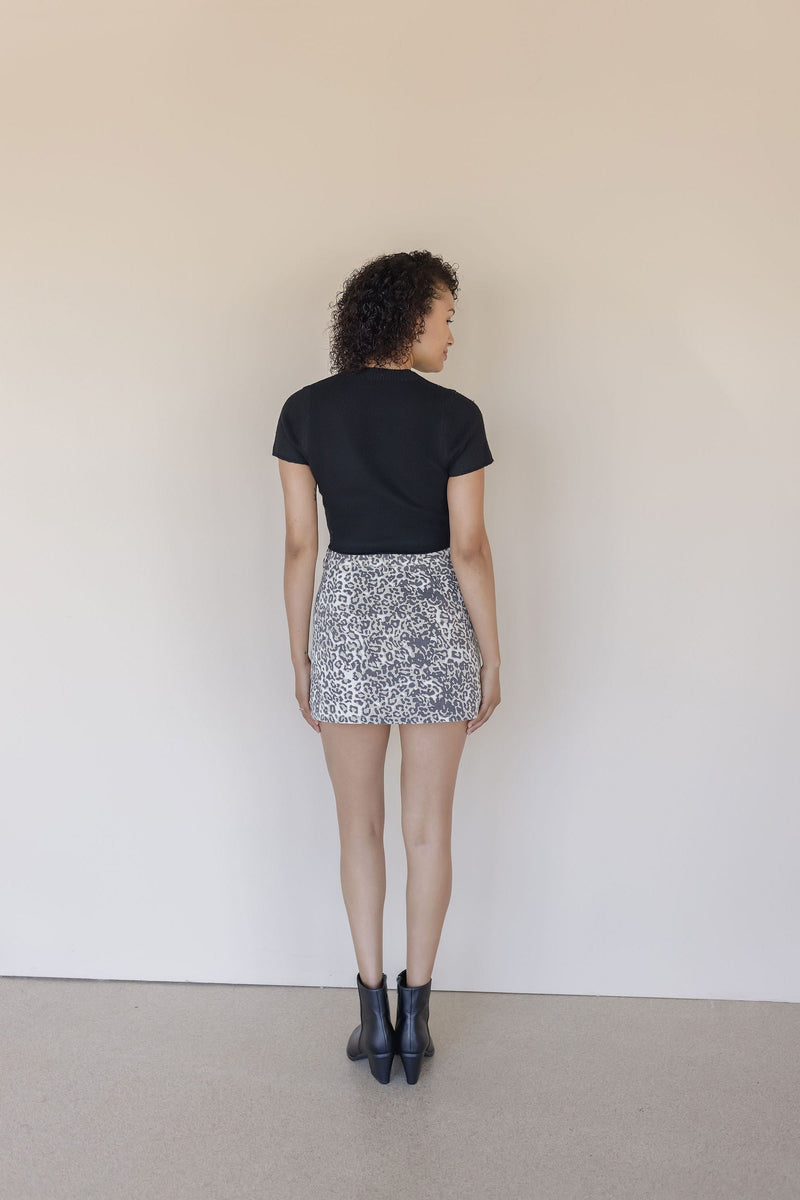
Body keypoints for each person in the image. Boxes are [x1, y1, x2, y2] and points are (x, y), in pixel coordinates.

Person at [272, 249, 501, 1085]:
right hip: (436, 627)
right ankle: (418, 1022)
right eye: (446, 317)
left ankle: (373, 1019)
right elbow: (468, 547)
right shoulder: (456, 416)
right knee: (427, 830)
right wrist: (492, 653)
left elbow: (301, 545)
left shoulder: (305, 410)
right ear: (409, 318)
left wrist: (302, 653)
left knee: (358, 829)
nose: (451, 335)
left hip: (346, 625)